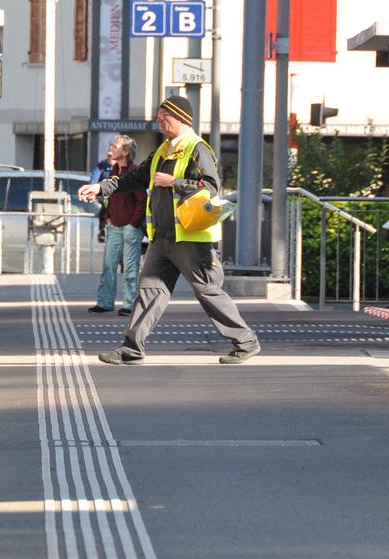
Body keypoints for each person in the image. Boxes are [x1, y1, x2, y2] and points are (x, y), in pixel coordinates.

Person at [78, 95, 260, 366]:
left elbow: (210, 188)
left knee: (207, 291)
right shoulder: (163, 150)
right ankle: (131, 349)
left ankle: (246, 342)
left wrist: (174, 181)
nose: (160, 120)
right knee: (149, 291)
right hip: (163, 237)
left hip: (190, 237)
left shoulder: (197, 148)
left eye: (165, 115)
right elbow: (135, 179)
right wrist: (100, 188)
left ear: (182, 118)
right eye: (159, 115)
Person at [88, 136, 144, 315]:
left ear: (125, 152)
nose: (110, 147)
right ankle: (105, 302)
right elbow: (109, 198)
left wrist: (133, 223)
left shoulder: (135, 172)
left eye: (115, 145)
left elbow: (142, 201)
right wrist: (109, 218)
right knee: (108, 265)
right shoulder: (113, 171)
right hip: (114, 226)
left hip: (130, 227)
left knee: (130, 268)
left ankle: (129, 305)